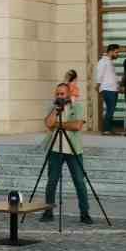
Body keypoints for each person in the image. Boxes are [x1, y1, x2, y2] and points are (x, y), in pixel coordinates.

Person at [44, 82, 92, 225]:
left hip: (73, 150)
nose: (59, 96)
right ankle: (48, 211)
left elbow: (77, 126)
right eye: (57, 94)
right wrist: (56, 110)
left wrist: (58, 125)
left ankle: (85, 213)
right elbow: (48, 123)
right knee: (51, 181)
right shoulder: (53, 107)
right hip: (55, 150)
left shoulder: (77, 106)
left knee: (79, 182)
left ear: (68, 94)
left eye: (62, 94)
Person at [94, 43, 121, 134]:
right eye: (116, 52)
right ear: (110, 52)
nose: (118, 54)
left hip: (113, 89)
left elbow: (111, 76)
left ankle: (108, 129)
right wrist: (98, 86)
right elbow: (99, 74)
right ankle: (106, 129)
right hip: (108, 89)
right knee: (110, 109)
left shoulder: (109, 61)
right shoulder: (103, 61)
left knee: (111, 110)